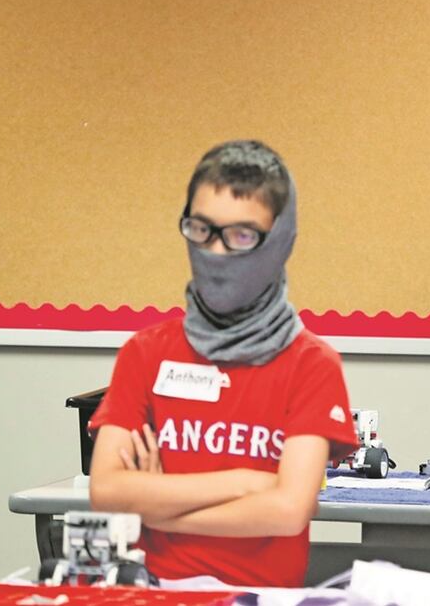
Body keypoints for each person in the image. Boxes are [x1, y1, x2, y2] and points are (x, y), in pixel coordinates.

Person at [88, 141, 358, 587]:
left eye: (242, 235)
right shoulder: (146, 352)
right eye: (201, 229)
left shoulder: (311, 364)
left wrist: (158, 511)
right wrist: (248, 482)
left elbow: (289, 510)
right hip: (156, 593)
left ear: (280, 240)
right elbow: (107, 491)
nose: (215, 251)